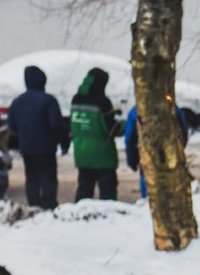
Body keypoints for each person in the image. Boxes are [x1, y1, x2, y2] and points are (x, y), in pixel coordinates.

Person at [6, 65, 69, 209]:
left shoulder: (17, 102)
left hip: (27, 148)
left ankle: (34, 206)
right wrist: (63, 143)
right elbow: (56, 125)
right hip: (46, 148)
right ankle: (49, 206)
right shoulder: (48, 101)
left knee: (32, 178)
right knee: (48, 178)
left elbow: (12, 125)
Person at [70, 67, 120, 201]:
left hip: (82, 152)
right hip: (103, 154)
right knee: (107, 191)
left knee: (84, 189)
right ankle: (109, 218)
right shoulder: (103, 101)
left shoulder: (76, 99)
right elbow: (111, 128)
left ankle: (80, 216)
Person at [124, 103, 190, 198]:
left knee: (150, 197)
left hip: (148, 162)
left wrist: (132, 161)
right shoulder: (172, 108)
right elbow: (183, 132)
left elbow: (130, 140)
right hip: (172, 161)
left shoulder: (136, 112)